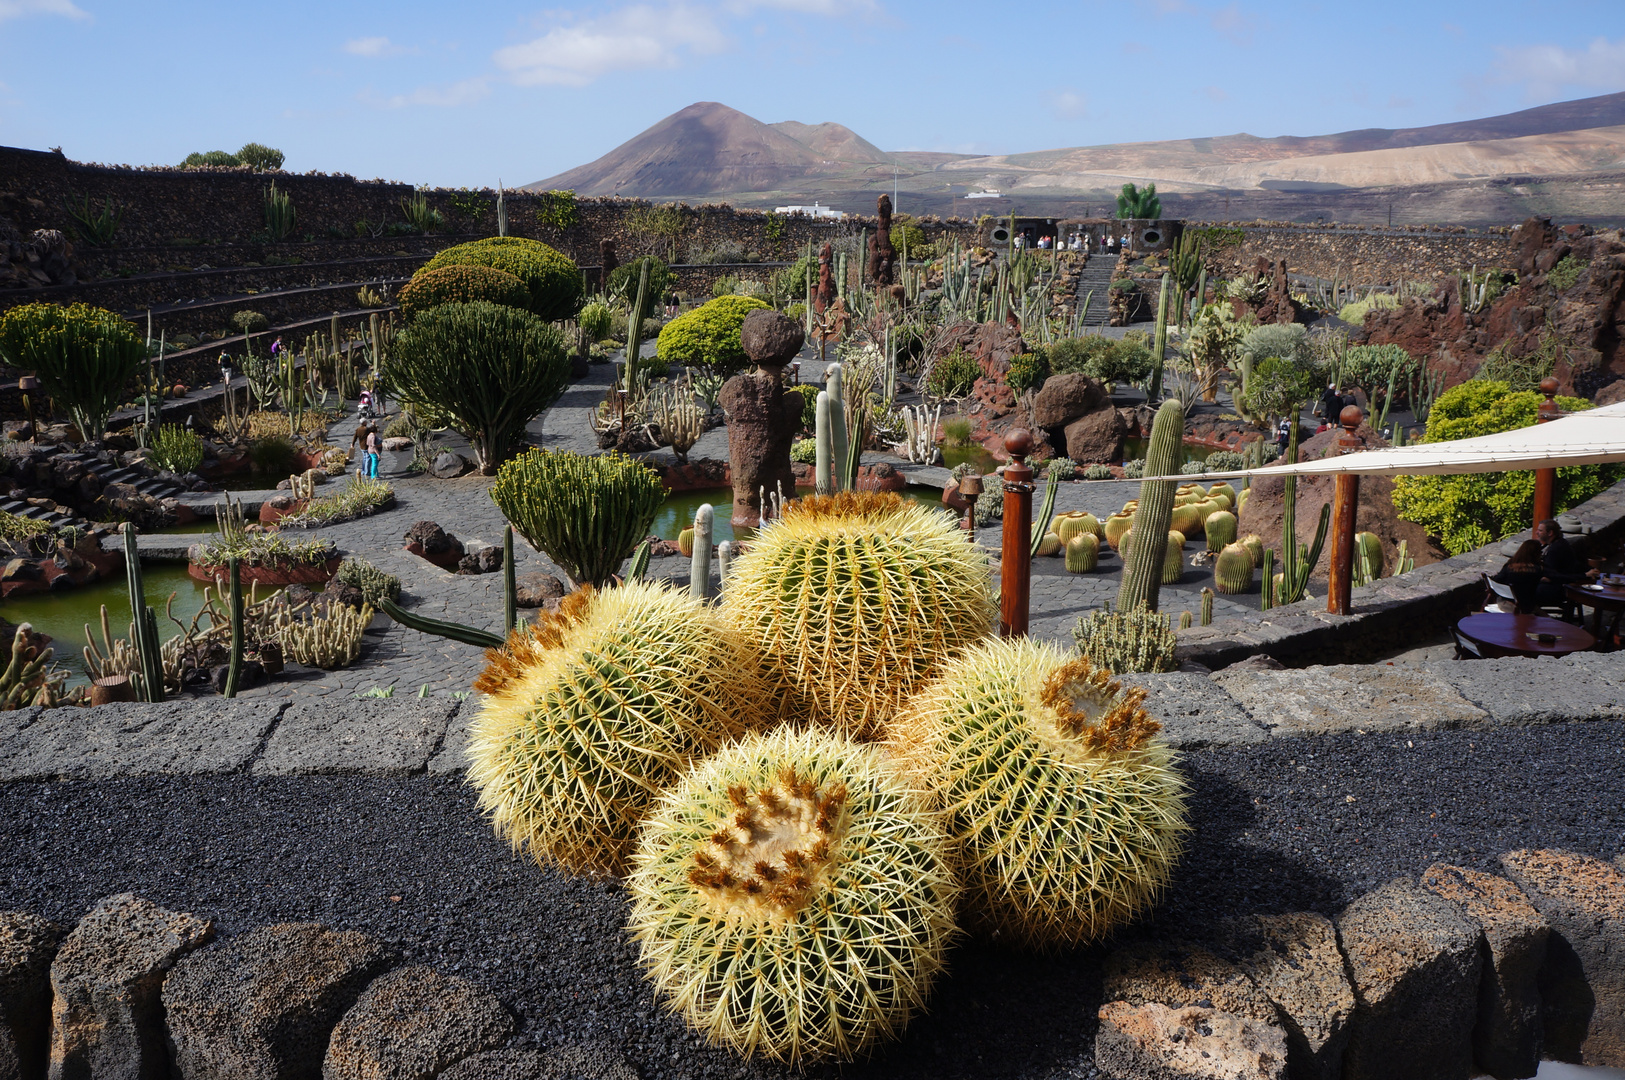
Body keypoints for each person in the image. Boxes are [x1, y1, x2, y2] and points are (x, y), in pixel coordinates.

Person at [1535, 518, 1598, 609]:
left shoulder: (1555, 549)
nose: (1537, 532)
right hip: (1562, 584)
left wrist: (1585, 574)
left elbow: (1554, 575)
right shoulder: (1561, 543)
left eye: (1540, 530)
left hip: (1559, 589)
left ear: (1550, 533)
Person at [1492, 540, 1545, 614]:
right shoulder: (1537, 569)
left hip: (1505, 603)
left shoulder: (1510, 566)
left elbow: (1497, 580)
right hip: (1526, 606)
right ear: (1536, 554)